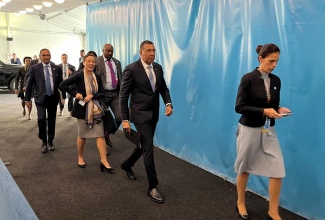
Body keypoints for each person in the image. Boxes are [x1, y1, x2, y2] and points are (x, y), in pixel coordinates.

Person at [234, 43, 291, 220]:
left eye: (277, 61)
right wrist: (263, 111)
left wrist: (278, 109)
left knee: (278, 169)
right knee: (244, 168)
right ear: (260, 59)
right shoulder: (248, 79)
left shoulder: (276, 81)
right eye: (271, 61)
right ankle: (240, 202)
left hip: (268, 130)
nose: (274, 65)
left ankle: (273, 211)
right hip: (249, 129)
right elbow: (239, 107)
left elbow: (271, 105)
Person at [119, 40, 173, 203]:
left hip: (153, 114)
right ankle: (153, 186)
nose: (152, 53)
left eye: (154, 50)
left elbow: (163, 88)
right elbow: (123, 96)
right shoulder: (131, 69)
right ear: (141, 52)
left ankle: (127, 164)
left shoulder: (158, 67)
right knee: (149, 148)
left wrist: (168, 103)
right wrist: (125, 119)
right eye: (148, 51)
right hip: (139, 115)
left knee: (143, 144)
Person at [59, 54, 114, 172]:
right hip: (82, 110)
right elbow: (62, 85)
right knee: (82, 135)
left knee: (100, 135)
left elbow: (102, 93)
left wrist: (92, 95)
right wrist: (75, 94)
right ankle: (80, 157)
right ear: (84, 63)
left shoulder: (97, 77)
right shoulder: (78, 75)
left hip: (96, 109)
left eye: (93, 62)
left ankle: (104, 161)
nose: (91, 63)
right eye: (88, 61)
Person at [24, 49, 64, 153]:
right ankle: (43, 141)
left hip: (53, 98)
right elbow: (29, 84)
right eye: (44, 55)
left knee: (51, 120)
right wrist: (27, 99)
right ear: (40, 56)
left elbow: (61, 83)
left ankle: (50, 141)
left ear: (50, 56)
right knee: (41, 120)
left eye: (48, 55)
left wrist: (62, 97)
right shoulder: (34, 68)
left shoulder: (57, 68)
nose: (46, 57)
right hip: (40, 98)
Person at [95, 43, 122, 148]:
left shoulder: (117, 62)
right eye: (108, 51)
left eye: (111, 51)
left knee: (120, 117)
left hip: (115, 94)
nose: (110, 53)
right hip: (102, 94)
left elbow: (120, 77)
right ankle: (102, 147)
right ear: (103, 50)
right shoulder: (97, 61)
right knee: (102, 119)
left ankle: (107, 133)